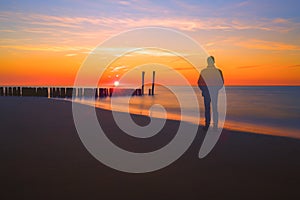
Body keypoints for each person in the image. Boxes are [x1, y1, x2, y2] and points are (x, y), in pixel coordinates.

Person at [198, 56, 224, 131]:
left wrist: (204, 90)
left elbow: (221, 82)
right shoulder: (208, 71)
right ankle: (212, 125)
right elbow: (200, 82)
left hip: (210, 92)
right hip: (211, 92)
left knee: (210, 109)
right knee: (213, 109)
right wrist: (206, 90)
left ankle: (210, 125)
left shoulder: (215, 71)